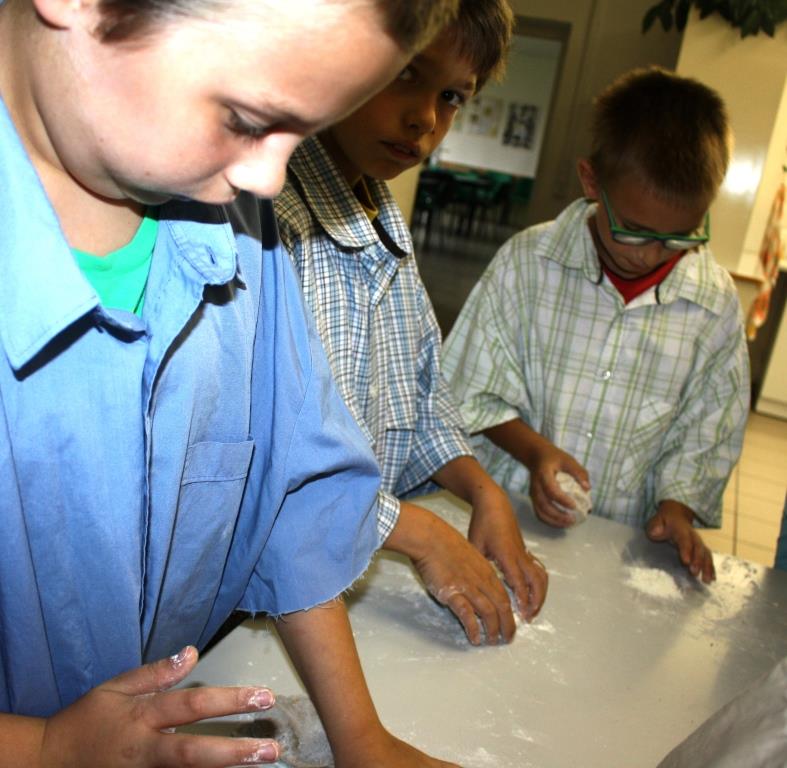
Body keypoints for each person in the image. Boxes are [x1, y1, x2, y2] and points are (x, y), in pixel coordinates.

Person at [0, 1, 465, 767]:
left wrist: (360, 740)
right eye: (246, 119)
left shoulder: (237, 214)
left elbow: (292, 490)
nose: (268, 176)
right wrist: (44, 747)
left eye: (302, 133)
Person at [275, 0, 548, 648]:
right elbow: (276, 460)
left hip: (340, 580)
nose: (426, 117)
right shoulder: (273, 219)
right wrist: (418, 534)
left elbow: (417, 397)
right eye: (406, 73)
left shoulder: (382, 215)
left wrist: (481, 489)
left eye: (451, 96)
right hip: (261, 608)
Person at [443, 67, 750, 585]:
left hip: (622, 550)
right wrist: (536, 452)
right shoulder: (528, 262)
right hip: (508, 518)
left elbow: (708, 431)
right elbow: (469, 389)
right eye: (634, 231)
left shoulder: (713, 304)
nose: (651, 254)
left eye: (679, 238)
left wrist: (677, 509)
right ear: (591, 182)